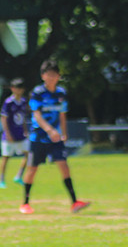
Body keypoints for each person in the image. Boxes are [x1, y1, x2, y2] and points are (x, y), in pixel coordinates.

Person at [20, 60, 91, 214]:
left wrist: (63, 133)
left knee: (64, 166)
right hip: (38, 137)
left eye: (55, 75)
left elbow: (62, 114)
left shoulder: (61, 93)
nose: (52, 77)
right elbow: (37, 115)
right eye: (49, 75)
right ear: (43, 76)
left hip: (56, 138)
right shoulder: (37, 93)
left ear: (59, 76)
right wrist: (50, 130)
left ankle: (74, 202)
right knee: (32, 169)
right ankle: (25, 203)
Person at [0, 78, 29, 189]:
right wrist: (8, 133)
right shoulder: (9, 102)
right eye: (17, 88)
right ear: (12, 89)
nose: (19, 90)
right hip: (9, 136)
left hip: (20, 134)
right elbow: (4, 118)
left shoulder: (24, 102)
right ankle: (1, 180)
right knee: (6, 158)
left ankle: (18, 176)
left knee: (28, 154)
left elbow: (23, 117)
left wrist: (25, 130)